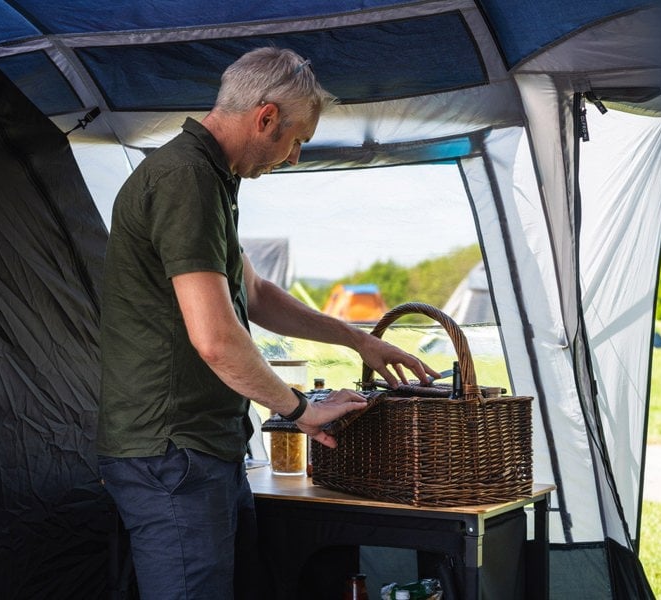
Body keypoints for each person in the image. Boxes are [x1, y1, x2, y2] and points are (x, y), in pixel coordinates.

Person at [97, 46, 439, 599]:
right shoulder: (186, 178)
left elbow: (253, 293)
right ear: (266, 118)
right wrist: (301, 410)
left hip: (205, 448)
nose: (296, 156)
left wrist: (358, 340)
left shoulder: (210, 177)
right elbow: (214, 339)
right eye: (296, 139)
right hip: (172, 453)